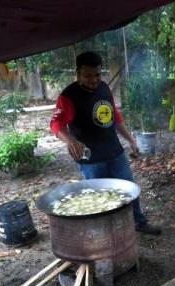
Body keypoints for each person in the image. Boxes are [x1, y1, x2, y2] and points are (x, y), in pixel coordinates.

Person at [50, 51, 161, 235]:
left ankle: (139, 223)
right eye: (87, 76)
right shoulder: (69, 96)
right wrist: (70, 141)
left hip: (114, 153)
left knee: (129, 191)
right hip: (91, 160)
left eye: (97, 75)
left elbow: (115, 117)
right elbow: (55, 124)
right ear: (78, 73)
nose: (93, 80)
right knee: (97, 199)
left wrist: (131, 139)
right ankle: (104, 235)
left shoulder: (103, 88)